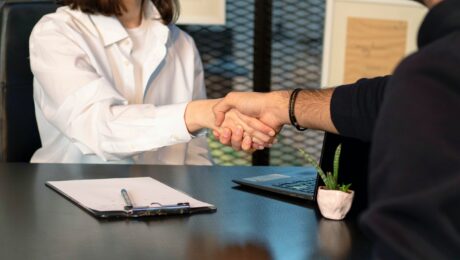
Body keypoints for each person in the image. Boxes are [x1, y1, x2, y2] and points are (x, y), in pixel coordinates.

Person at [213, 0, 460, 258]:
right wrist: (279, 106)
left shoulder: (436, 70)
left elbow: (412, 243)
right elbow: (380, 101)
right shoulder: (436, 69)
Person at [29, 0, 274, 164]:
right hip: (72, 209)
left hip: (167, 211)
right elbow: (97, 128)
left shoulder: (183, 43)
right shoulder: (55, 32)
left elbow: (196, 153)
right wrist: (195, 113)